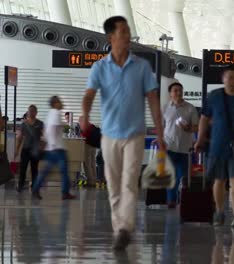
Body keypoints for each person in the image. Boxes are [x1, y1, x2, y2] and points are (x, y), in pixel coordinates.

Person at [80, 16, 164, 250]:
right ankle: (120, 229)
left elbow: (153, 99)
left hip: (135, 135)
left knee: (129, 183)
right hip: (109, 136)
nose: (128, 36)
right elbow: (89, 94)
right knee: (114, 185)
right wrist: (84, 115)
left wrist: (159, 131)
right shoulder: (100, 67)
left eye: (128, 31)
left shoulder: (142, 66)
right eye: (123, 32)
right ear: (111, 37)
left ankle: (125, 228)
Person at [194, 65, 234, 227]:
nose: (233, 81)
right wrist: (200, 139)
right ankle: (220, 211)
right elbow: (204, 118)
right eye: (230, 77)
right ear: (223, 79)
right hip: (217, 144)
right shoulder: (214, 96)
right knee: (219, 180)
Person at [160, 82, 198, 208]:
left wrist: (188, 128)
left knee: (183, 176)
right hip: (169, 146)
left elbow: (196, 127)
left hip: (185, 148)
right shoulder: (165, 108)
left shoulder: (190, 108)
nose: (178, 93)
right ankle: (171, 200)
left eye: (180, 90)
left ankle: (185, 200)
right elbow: (161, 127)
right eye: (175, 90)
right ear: (170, 93)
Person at [32, 96, 75, 201]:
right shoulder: (56, 113)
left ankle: (36, 188)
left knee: (47, 170)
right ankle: (65, 193)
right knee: (64, 171)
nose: (61, 103)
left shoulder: (50, 113)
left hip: (51, 148)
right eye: (60, 102)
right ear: (55, 103)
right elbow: (53, 128)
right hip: (58, 149)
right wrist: (55, 144)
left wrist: (50, 143)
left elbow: (47, 131)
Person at [15, 105, 44, 192]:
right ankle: (20, 185)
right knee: (23, 169)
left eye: (33, 111)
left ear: (36, 112)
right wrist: (17, 149)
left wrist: (42, 147)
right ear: (27, 112)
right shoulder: (24, 124)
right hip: (26, 149)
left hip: (35, 150)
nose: (31, 113)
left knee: (34, 169)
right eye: (30, 111)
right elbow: (20, 138)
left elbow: (44, 137)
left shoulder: (40, 123)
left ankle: (34, 186)